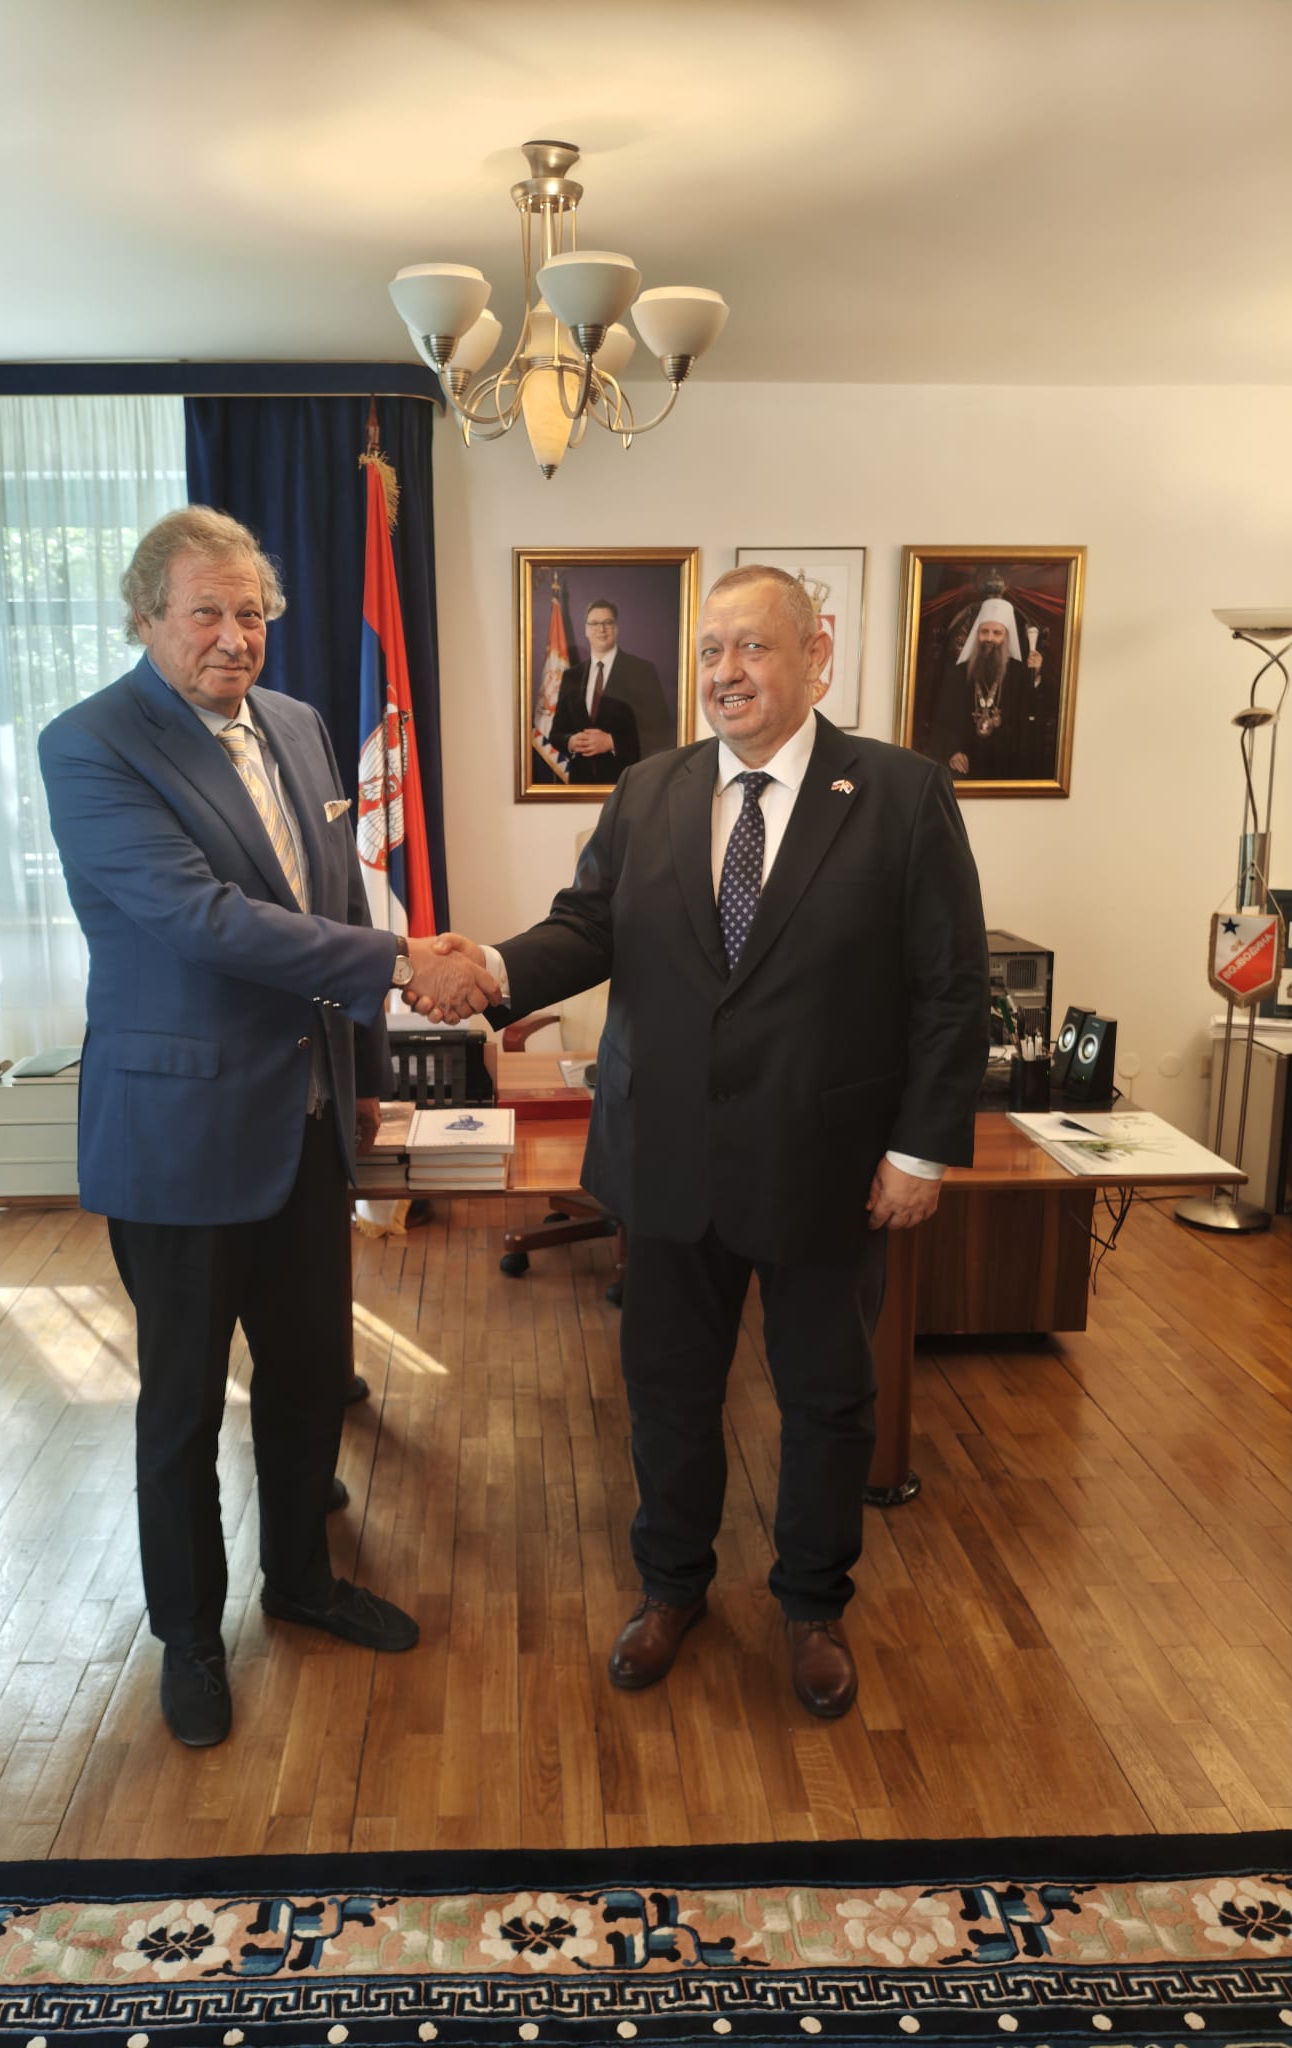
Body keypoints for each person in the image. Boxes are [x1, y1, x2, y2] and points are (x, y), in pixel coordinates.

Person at [428, 566, 986, 1718]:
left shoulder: (900, 792)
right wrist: (491, 967)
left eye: (752, 647)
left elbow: (950, 987)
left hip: (828, 1165)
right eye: (710, 652)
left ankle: (813, 1603)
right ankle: (671, 1585)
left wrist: (922, 1149)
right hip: (668, 1156)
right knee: (668, 1391)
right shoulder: (649, 788)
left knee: (828, 1397)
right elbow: (588, 925)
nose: (726, 672)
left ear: (815, 654)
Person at [38, 506, 496, 1747]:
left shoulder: (295, 724)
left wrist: (366, 1070)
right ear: (146, 618)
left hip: (308, 1123)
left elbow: (332, 892)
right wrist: (405, 960)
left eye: (251, 613)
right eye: (207, 612)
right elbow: (204, 920)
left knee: (306, 1378)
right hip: (180, 1136)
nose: (234, 637)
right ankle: (190, 1635)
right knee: (185, 1407)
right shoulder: (90, 745)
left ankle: (301, 1579)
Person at [923, 596, 1054, 782]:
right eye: (984, 632)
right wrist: (953, 751)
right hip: (966, 762)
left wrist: (1037, 675)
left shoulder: (1020, 672)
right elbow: (943, 720)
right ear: (977, 634)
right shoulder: (959, 673)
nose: (989, 638)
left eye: (996, 633)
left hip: (1008, 762)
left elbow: (1032, 714)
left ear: (1007, 636)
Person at [548, 598, 673, 783]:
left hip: (627, 783)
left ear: (617, 628)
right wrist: (570, 742)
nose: (601, 629)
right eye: (594, 623)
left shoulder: (641, 671)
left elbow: (661, 732)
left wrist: (612, 742)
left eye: (608, 622)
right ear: (586, 630)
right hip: (580, 786)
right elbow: (556, 734)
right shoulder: (571, 676)